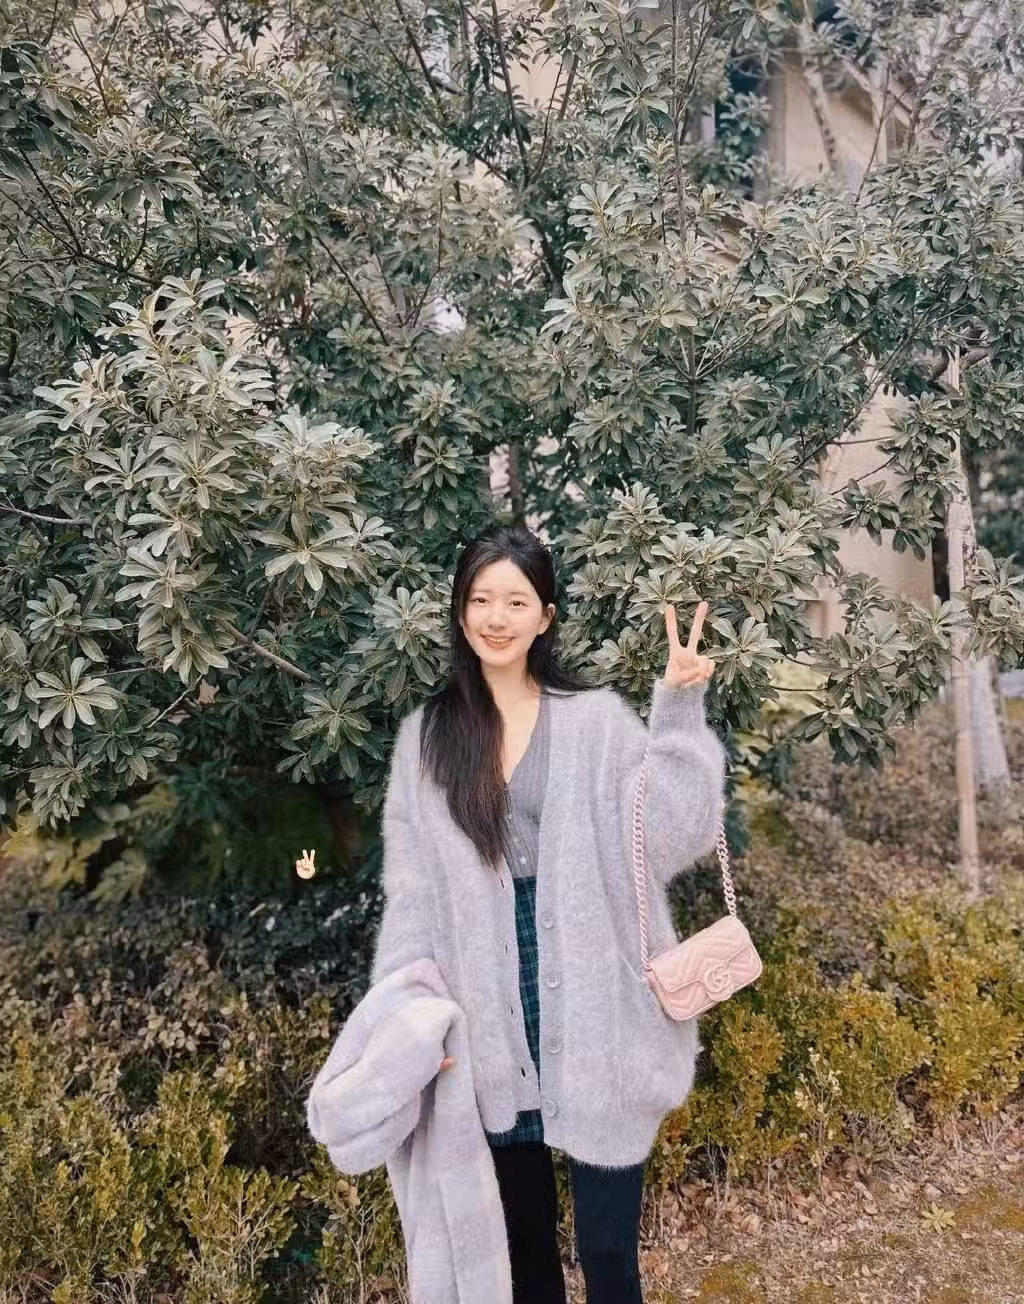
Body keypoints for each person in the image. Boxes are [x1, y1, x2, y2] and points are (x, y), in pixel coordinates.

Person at [370, 522, 725, 1304]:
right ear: (460, 612)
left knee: (607, 1251)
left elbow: (670, 833)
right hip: (486, 1012)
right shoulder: (428, 738)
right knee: (524, 1250)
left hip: (599, 1003)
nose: (496, 617)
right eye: (480, 600)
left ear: (546, 617)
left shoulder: (595, 722)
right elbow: (413, 894)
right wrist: (420, 1022)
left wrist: (678, 710)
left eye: (515, 601)